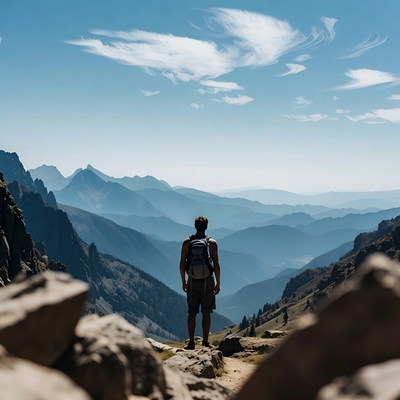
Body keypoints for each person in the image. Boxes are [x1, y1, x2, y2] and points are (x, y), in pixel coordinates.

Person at [179, 216, 220, 350]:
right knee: (206, 312)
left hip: (192, 281)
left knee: (192, 312)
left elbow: (182, 263)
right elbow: (216, 264)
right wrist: (218, 282)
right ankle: (206, 342)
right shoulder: (212, 243)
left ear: (195, 226)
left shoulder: (187, 242)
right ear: (206, 227)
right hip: (207, 281)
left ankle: (191, 342)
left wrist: (184, 281)